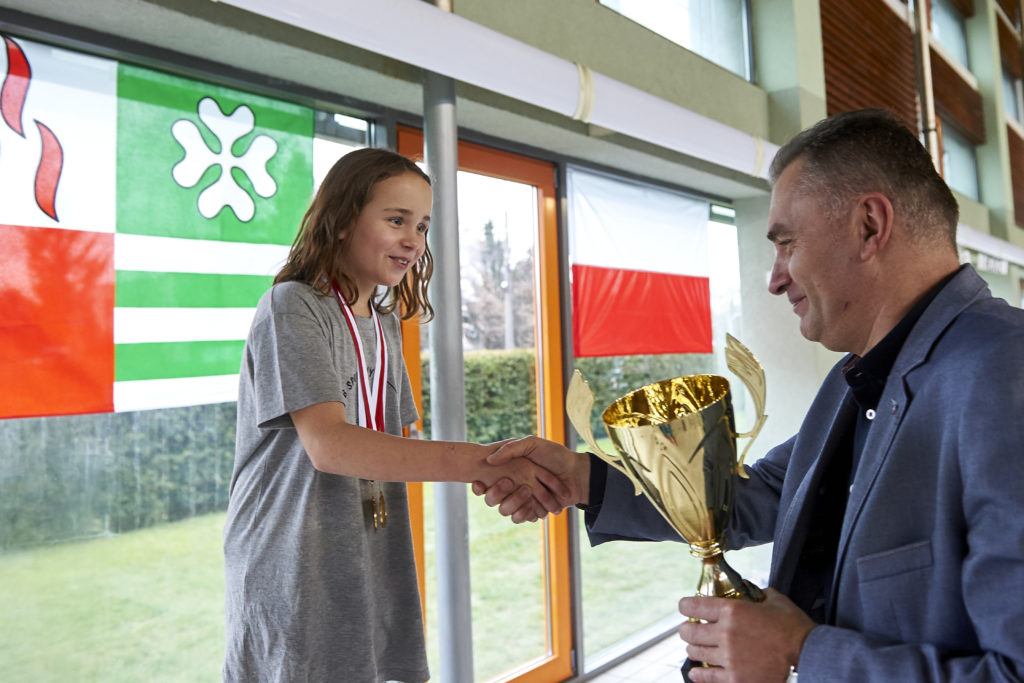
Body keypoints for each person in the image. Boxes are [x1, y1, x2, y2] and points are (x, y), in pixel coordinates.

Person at [475, 109, 1024, 682]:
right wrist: (582, 480)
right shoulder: (856, 377)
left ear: (869, 226)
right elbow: (762, 492)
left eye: (786, 243)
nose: (775, 277)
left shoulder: (1005, 374)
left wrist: (802, 651)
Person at [222, 147, 566, 682]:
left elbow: (393, 444)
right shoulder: (292, 306)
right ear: (340, 221)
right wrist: (486, 462)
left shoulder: (383, 324)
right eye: (396, 219)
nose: (414, 239)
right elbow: (332, 445)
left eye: (423, 226)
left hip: (368, 547)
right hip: (293, 556)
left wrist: (499, 469)